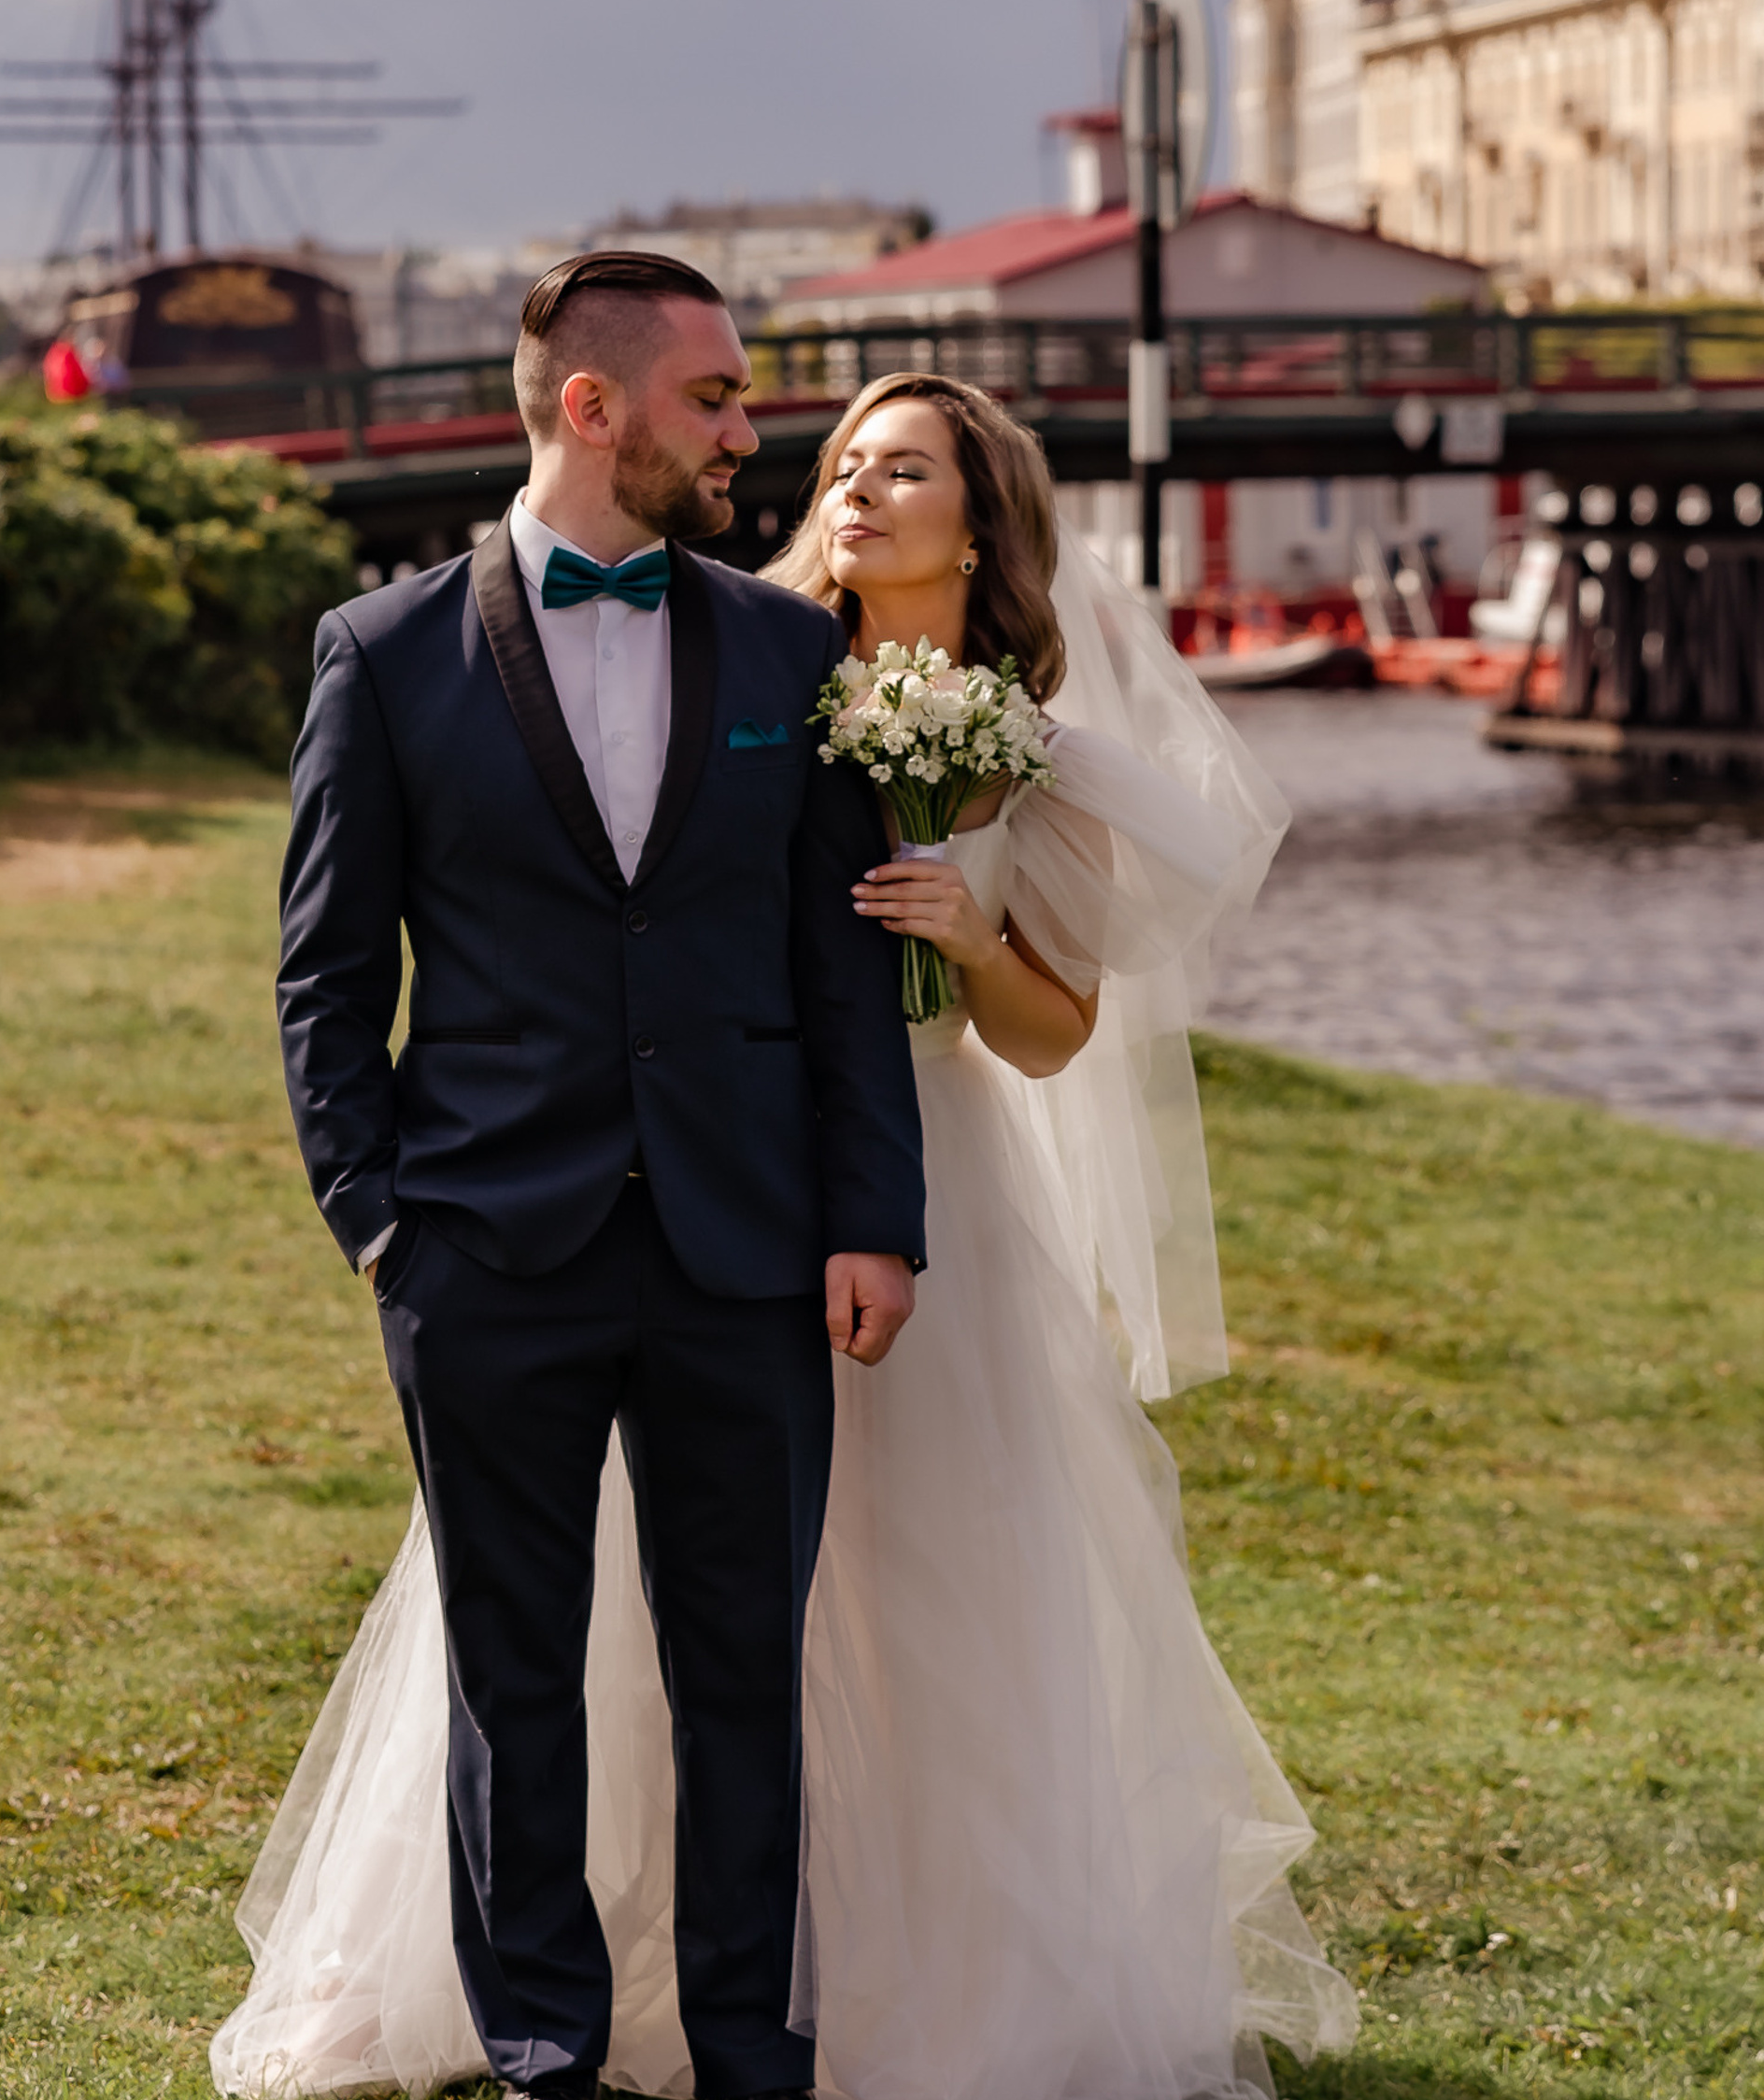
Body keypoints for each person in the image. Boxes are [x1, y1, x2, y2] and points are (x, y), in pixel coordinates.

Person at [218, 365, 1362, 2100]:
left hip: (870, 1197)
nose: (844, 486)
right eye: (842, 462)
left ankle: (861, 1993)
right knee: (561, 1633)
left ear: (985, 518)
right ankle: (551, 2006)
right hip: (593, 1208)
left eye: (898, 468)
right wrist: (382, 1219)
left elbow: (1038, 1023)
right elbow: (360, 957)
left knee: (864, 1618)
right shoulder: (765, 651)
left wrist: (960, 942)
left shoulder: (981, 723)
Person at [233, 253, 926, 2100]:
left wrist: (871, 1211)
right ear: (590, 407)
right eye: (712, 394)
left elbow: (838, 956)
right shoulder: (379, 656)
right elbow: (324, 970)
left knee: (740, 1685)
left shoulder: (793, 653)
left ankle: (746, 2049)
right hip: (486, 1249)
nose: (747, 427)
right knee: (512, 1679)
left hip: (747, 1247)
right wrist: (378, 1218)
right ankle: (542, 2046)